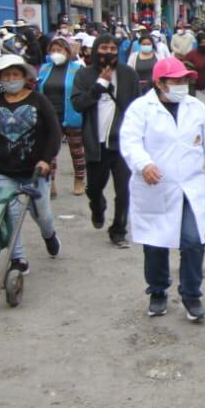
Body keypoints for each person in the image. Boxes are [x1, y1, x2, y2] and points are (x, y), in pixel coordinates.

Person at [120, 57, 205, 322]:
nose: (182, 85)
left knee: (194, 241)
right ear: (159, 83)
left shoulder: (196, 108)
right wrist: (143, 163)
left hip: (190, 186)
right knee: (156, 244)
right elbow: (130, 140)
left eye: (185, 80)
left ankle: (191, 294)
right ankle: (157, 291)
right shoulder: (141, 109)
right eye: (176, 81)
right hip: (156, 186)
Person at [0, 54, 63, 275]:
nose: (11, 79)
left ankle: (49, 235)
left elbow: (54, 133)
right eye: (6, 75)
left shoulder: (39, 101)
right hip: (2, 169)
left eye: (15, 74)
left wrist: (46, 160)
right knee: (9, 214)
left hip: (35, 170)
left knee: (43, 216)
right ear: (0, 79)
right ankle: (18, 259)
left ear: (24, 76)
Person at [71, 34, 139, 249]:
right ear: (95, 50)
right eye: (103, 48)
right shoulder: (83, 75)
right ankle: (97, 206)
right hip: (96, 143)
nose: (108, 52)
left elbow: (138, 107)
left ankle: (119, 230)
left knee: (124, 190)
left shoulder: (128, 74)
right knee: (94, 187)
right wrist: (99, 85)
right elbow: (78, 104)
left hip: (122, 143)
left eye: (112, 48)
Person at [38, 37, 86, 198]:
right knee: (49, 151)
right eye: (53, 51)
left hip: (71, 114)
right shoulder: (44, 69)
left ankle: (79, 180)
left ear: (67, 52)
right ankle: (49, 183)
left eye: (60, 50)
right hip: (50, 116)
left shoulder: (77, 68)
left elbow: (82, 90)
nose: (56, 54)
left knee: (76, 150)